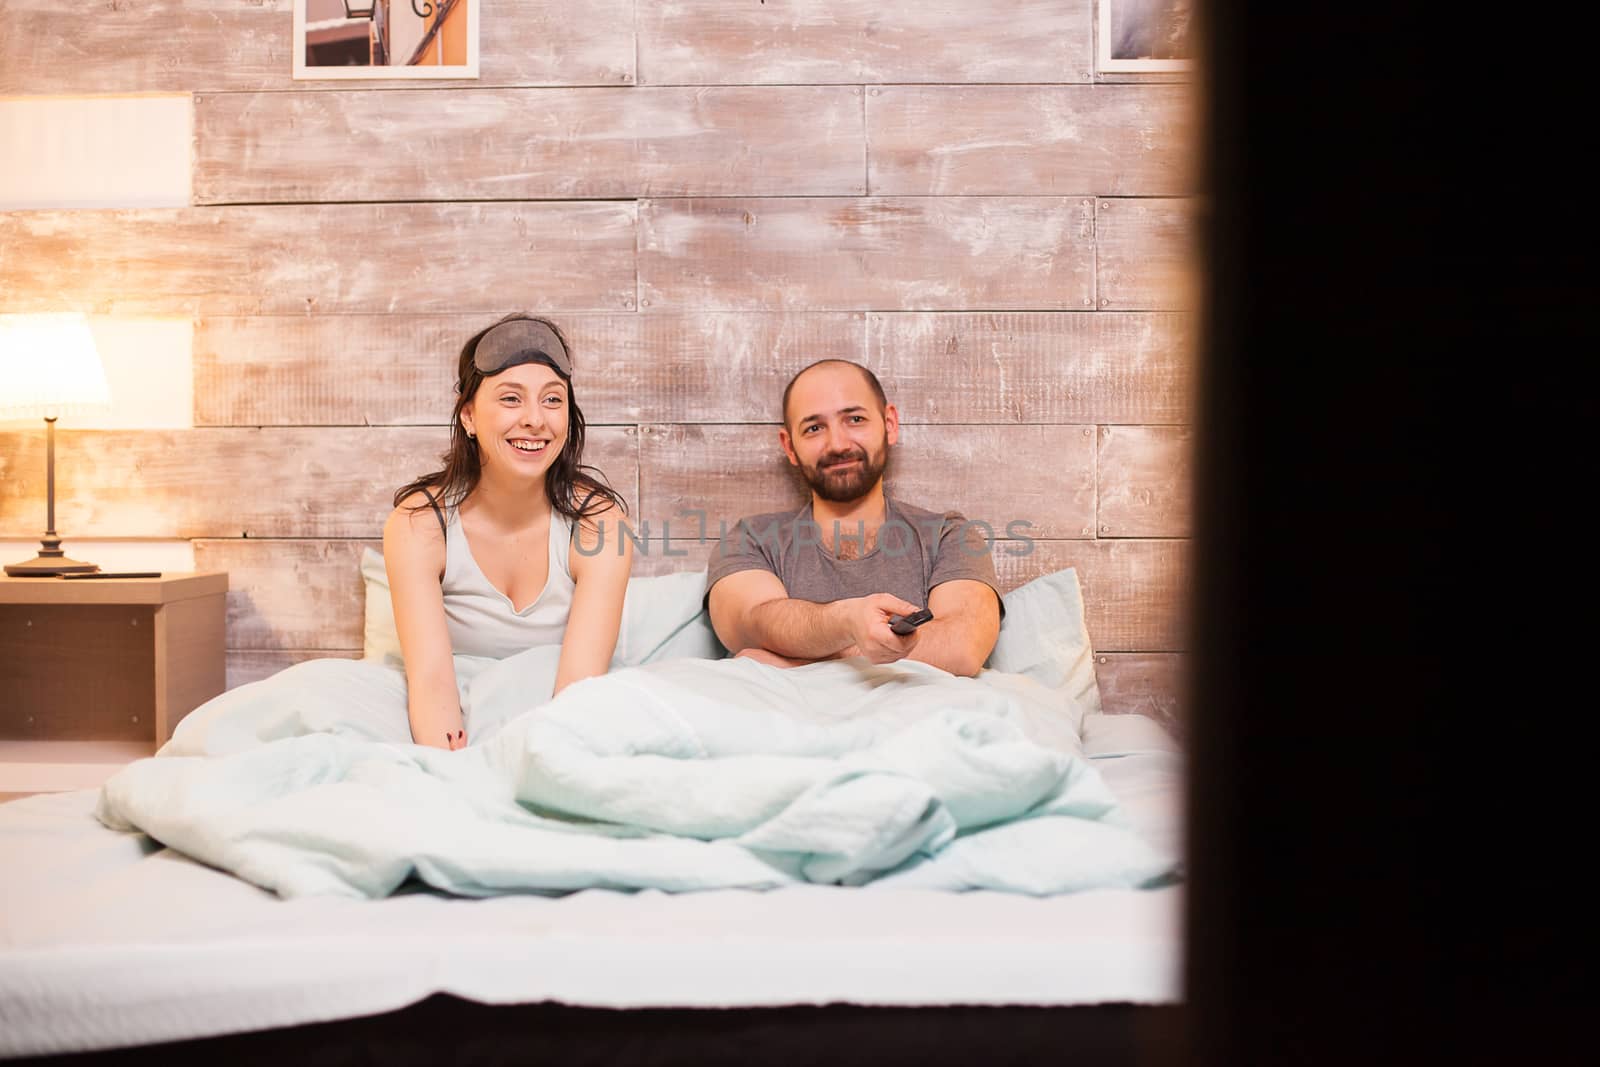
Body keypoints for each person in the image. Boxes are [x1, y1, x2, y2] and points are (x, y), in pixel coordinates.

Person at [384, 314, 631, 750]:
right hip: (455, 722)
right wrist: (452, 772)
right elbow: (432, 683)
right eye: (511, 399)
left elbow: (579, 690)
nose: (536, 420)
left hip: (557, 725)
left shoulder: (601, 523)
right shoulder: (420, 523)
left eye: (553, 400)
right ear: (469, 417)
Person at [705, 359, 1002, 677]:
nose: (838, 444)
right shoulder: (750, 539)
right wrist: (848, 621)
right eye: (814, 428)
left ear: (889, 424)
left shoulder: (949, 536)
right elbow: (753, 625)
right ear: (789, 446)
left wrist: (799, 659)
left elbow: (961, 647)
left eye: (855, 419)